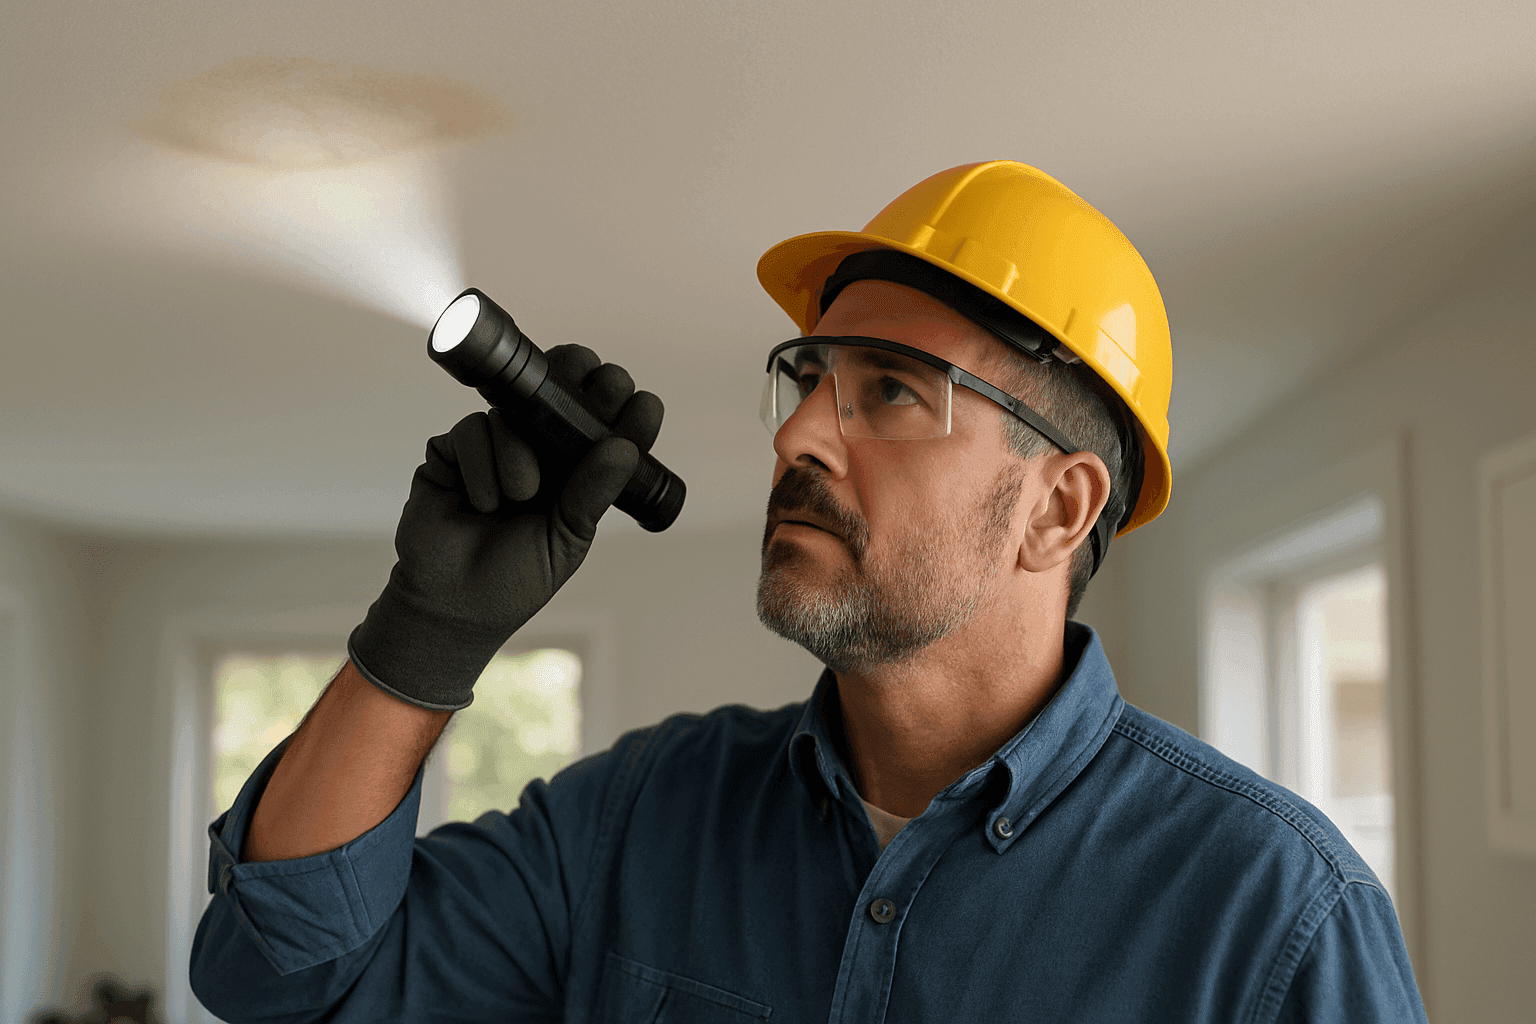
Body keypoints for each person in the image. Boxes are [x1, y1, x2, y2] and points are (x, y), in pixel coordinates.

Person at [189, 162, 1427, 1022]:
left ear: (1060, 508)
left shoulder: (1274, 915)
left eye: (891, 390)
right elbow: (285, 977)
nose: (798, 440)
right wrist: (424, 637)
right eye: (809, 379)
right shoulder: (640, 818)